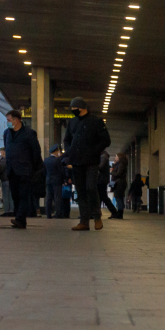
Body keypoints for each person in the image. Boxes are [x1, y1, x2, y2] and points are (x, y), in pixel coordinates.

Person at [63, 97, 110, 231]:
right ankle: (84, 221)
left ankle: (97, 216)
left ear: (82, 108)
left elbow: (106, 140)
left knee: (90, 187)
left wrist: (94, 151)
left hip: (91, 161)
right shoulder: (72, 122)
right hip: (76, 161)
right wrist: (69, 151)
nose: (73, 111)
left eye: (74, 109)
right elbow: (67, 139)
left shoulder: (96, 121)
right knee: (80, 190)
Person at [2, 110, 43, 228]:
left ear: (17, 120)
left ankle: (19, 218)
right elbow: (7, 148)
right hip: (12, 170)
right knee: (15, 195)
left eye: (9, 120)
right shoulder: (7, 133)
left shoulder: (29, 133)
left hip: (25, 170)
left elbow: (36, 151)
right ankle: (21, 220)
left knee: (24, 195)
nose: (7, 123)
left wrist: (33, 167)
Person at [97, 150, 121, 220]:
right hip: (102, 180)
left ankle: (113, 212)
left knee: (103, 197)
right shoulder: (104, 156)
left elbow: (100, 167)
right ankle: (97, 213)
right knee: (101, 197)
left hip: (101, 180)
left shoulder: (103, 157)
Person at [44, 144, 66, 219]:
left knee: (49, 197)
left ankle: (48, 214)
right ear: (56, 151)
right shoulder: (57, 160)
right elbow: (61, 171)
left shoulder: (46, 160)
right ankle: (58, 213)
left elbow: (44, 171)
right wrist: (64, 179)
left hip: (48, 180)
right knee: (57, 197)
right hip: (56, 181)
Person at [110, 150, 129, 219]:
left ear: (120, 157)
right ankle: (119, 212)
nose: (115, 157)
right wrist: (114, 164)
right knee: (119, 198)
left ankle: (120, 213)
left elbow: (118, 174)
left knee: (119, 198)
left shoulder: (121, 164)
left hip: (119, 183)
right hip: (120, 183)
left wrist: (112, 172)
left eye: (116, 156)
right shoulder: (120, 164)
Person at [0, 148, 15, 217]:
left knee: (5, 196)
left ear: (3, 152)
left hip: (5, 180)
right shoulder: (12, 159)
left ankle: (6, 211)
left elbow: (0, 169)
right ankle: (12, 210)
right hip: (11, 180)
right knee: (11, 196)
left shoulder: (3, 160)